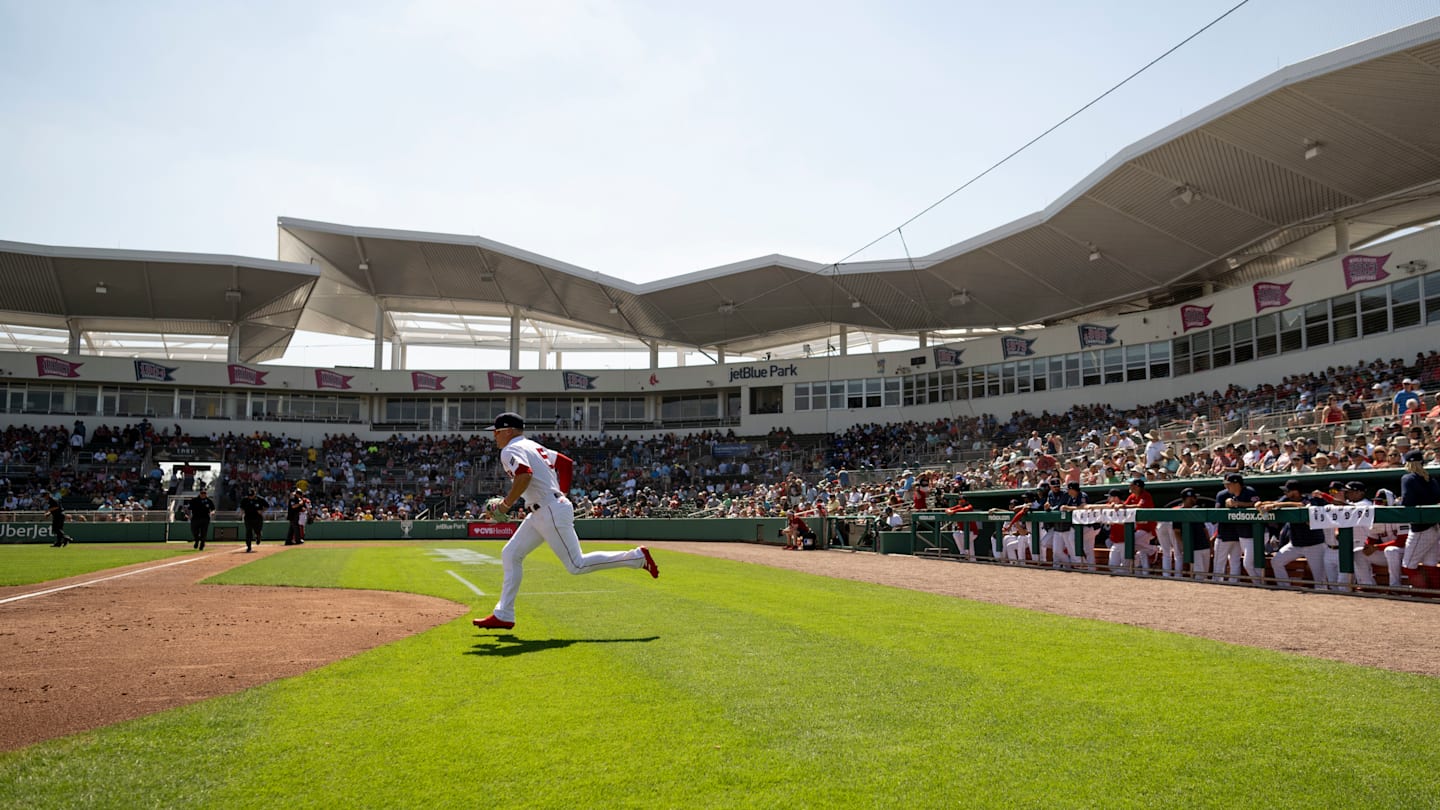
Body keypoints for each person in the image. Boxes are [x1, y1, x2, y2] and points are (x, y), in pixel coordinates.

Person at [475, 413, 659, 631]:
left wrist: (505, 506)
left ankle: (637, 558)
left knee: (576, 565)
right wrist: (561, 492)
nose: (494, 436)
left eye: (496, 432)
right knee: (511, 554)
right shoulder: (532, 446)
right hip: (542, 510)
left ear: (508, 431)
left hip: (548, 509)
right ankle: (504, 614)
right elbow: (565, 463)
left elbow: (524, 474)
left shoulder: (510, 449)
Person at [1261, 480, 1331, 589]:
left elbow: (1301, 505)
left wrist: (1277, 504)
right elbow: (1273, 502)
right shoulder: (1286, 499)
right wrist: (1260, 504)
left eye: (1288, 491)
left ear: (1296, 491)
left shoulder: (1310, 498)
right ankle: (1285, 588)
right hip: (1295, 544)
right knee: (1276, 562)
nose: (1285, 493)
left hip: (1314, 545)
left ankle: (1323, 599)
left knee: (1320, 579)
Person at [1399, 449, 1440, 591]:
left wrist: (1397, 503)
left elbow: (1407, 501)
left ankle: (1423, 594)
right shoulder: (1431, 479)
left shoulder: (1408, 478)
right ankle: (1435, 593)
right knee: (1430, 564)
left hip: (1420, 528)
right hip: (1434, 526)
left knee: (1408, 565)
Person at [1213, 473, 1259, 584]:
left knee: (1227, 562)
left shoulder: (1247, 492)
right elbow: (1216, 515)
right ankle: (1232, 583)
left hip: (1238, 534)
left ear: (1236, 483)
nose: (1227, 486)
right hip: (1239, 534)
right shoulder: (1230, 494)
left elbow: (1256, 504)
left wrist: (1237, 503)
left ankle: (1223, 583)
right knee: (1235, 562)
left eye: (1229, 484)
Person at [239, 487, 267, 553]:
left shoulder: (260, 499)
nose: (250, 497)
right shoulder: (245, 500)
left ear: (255, 494)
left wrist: (262, 511)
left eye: (252, 495)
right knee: (248, 532)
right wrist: (242, 512)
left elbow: (267, 506)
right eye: (249, 496)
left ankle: (258, 536)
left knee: (257, 531)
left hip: (258, 518)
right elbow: (241, 507)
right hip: (248, 518)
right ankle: (249, 547)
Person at [187, 486, 214, 550]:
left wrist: (212, 512)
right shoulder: (194, 500)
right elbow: (189, 508)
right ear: (200, 493)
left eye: (204, 493)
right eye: (202, 493)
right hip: (195, 518)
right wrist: (189, 515)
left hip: (205, 518)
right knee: (194, 531)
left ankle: (202, 545)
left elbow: (213, 509)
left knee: (204, 532)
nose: (203, 494)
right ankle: (196, 540)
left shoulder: (209, 501)